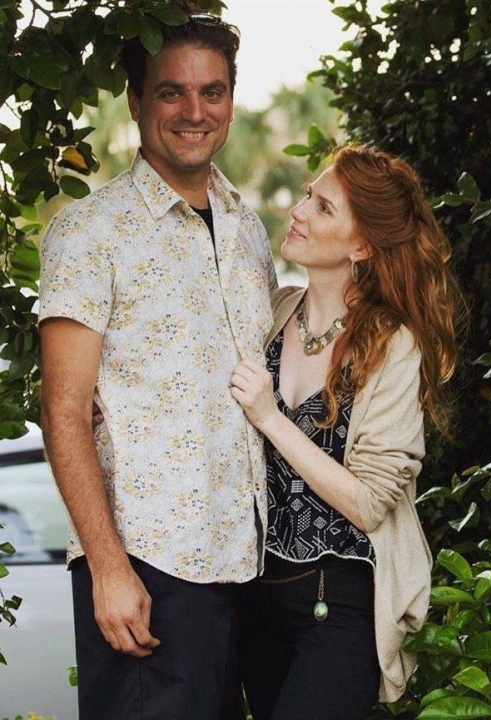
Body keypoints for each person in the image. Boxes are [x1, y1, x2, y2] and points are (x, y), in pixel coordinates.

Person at [38, 6, 276, 720]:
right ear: (137, 101)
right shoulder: (91, 232)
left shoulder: (248, 229)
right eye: (172, 92)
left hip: (251, 569)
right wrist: (107, 568)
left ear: (230, 98)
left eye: (212, 91)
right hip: (149, 569)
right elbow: (63, 412)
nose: (195, 112)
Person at [230, 145, 462, 720]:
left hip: (337, 605)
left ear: (361, 246)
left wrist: (271, 419)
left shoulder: (392, 344)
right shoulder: (273, 314)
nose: (299, 211)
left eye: (323, 207)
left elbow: (369, 502)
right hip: (257, 599)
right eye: (308, 195)